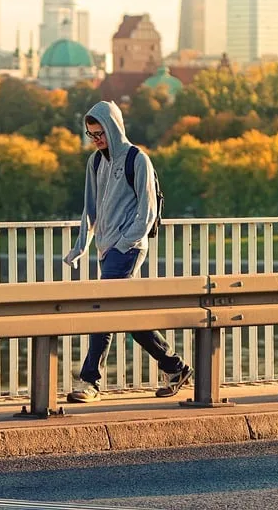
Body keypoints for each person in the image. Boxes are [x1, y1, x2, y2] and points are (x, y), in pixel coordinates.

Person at [63, 100, 193, 403]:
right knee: (125, 314)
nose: (96, 140)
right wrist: (81, 245)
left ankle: (89, 382)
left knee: (103, 311)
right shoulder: (95, 162)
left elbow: (147, 212)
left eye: (100, 133)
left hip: (129, 247)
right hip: (106, 249)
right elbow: (90, 209)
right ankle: (174, 366)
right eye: (91, 134)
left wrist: (124, 243)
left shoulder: (138, 160)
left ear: (113, 127)